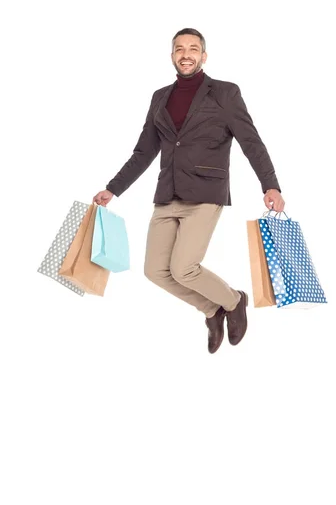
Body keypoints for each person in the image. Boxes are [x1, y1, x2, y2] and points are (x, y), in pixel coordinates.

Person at [93, 28, 285, 354]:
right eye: (179, 49)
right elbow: (144, 152)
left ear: (203, 56)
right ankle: (212, 310)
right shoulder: (160, 97)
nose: (186, 54)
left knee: (183, 268)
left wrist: (270, 184)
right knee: (155, 271)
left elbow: (251, 141)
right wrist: (114, 189)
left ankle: (234, 300)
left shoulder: (225, 93)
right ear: (172, 56)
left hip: (205, 193)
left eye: (193, 48)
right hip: (167, 194)